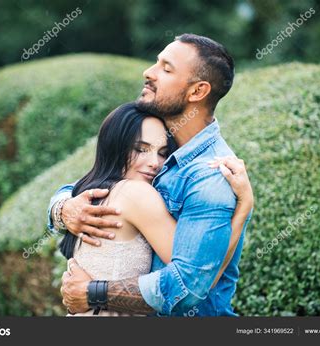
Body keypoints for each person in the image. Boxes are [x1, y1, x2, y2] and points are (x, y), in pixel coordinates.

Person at [50, 33, 254, 316]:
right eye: (156, 63)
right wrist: (62, 208)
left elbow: (188, 287)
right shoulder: (162, 141)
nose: (149, 72)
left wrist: (92, 292)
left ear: (197, 92)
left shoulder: (211, 176)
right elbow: (100, 182)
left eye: (166, 68)